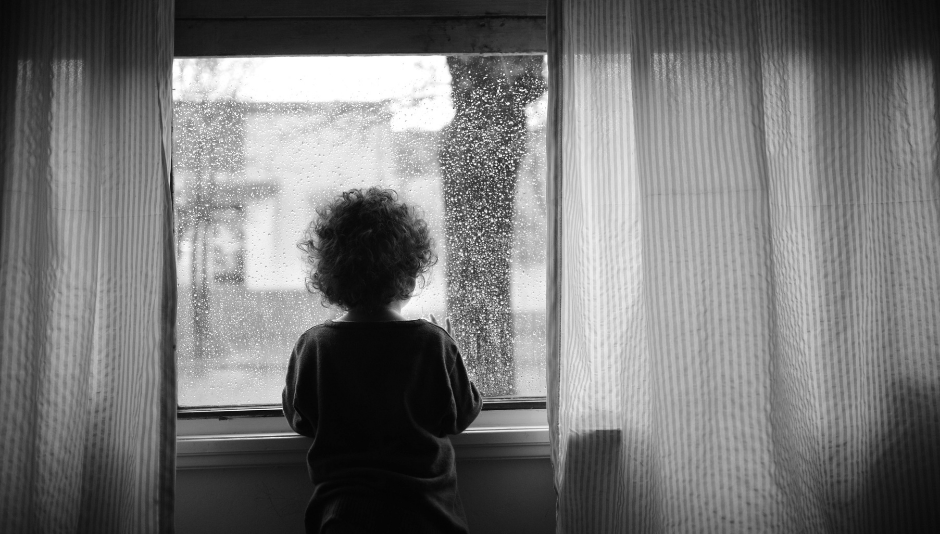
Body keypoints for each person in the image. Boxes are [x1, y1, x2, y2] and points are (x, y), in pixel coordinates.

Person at [283, 187, 483, 534]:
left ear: (330, 278)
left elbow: (301, 420)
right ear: (409, 272)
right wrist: (452, 348)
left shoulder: (314, 346)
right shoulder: (432, 343)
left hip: (340, 516)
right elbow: (460, 416)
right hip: (425, 514)